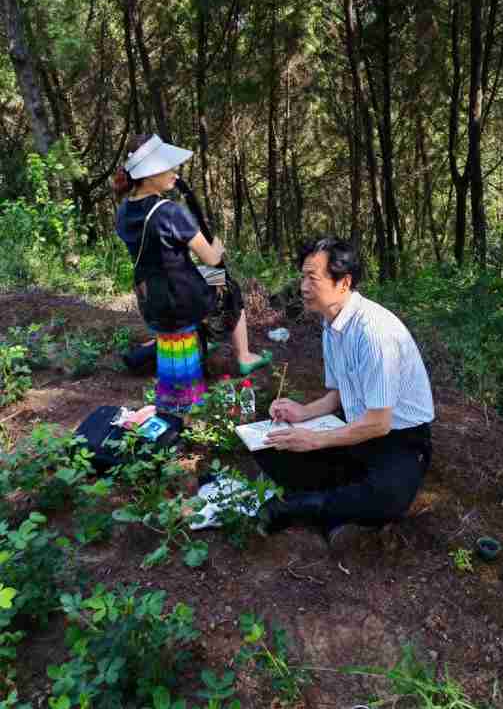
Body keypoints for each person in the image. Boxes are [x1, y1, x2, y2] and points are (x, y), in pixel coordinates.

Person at [256, 237, 434, 550]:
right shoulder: (332, 324)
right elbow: (337, 396)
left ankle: (303, 506)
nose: (303, 287)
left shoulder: (374, 333)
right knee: (270, 443)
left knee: (389, 497)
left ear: (344, 282)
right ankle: (339, 499)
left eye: (313, 278)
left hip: (399, 437)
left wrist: (315, 439)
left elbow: (379, 423)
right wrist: (303, 413)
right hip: (354, 427)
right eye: (302, 277)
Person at [114, 133, 272, 415]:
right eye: (168, 168)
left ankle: (197, 346)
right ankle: (244, 355)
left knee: (204, 278)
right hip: (183, 299)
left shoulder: (124, 210)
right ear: (149, 175)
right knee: (228, 285)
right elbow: (210, 258)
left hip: (151, 299)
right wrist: (218, 245)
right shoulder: (170, 212)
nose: (175, 173)